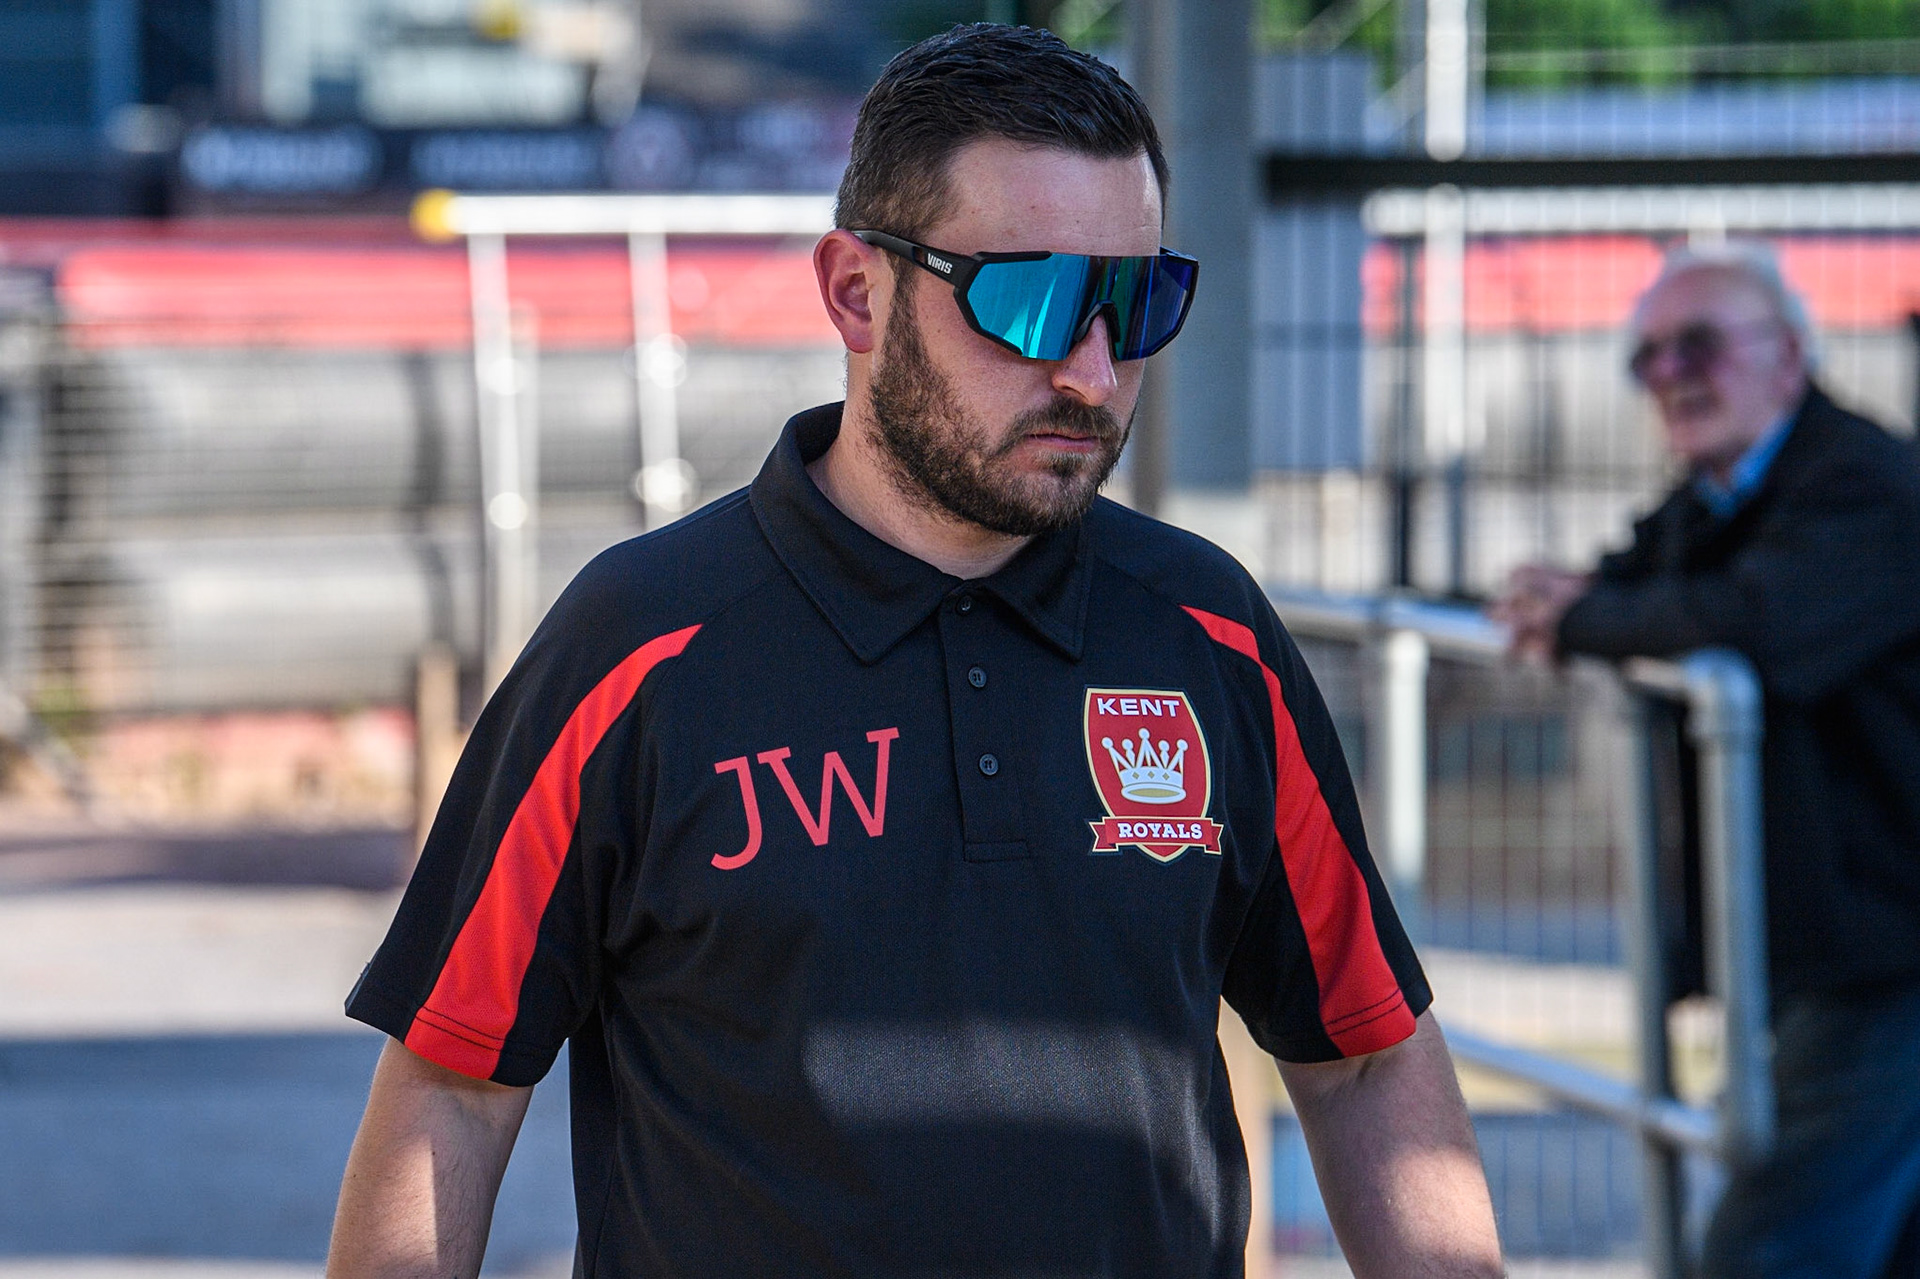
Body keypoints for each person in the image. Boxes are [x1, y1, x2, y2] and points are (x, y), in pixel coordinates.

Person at [327, 24, 1502, 1279]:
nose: (1093, 371)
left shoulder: (1207, 631)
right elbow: (453, 1087)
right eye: (1034, 297)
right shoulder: (642, 647)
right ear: (853, 290)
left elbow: (1366, 1055)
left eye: (1136, 299)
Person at [1494, 243, 1920, 1278]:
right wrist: (1571, 599)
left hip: (1894, 961)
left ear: (1789, 354)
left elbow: (1767, 626)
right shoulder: (1725, 494)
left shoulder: (1865, 484)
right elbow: (1646, 583)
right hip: (1833, 944)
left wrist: (1590, 616)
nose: (1671, 373)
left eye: (1699, 344)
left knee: (1766, 1249)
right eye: (1647, 357)